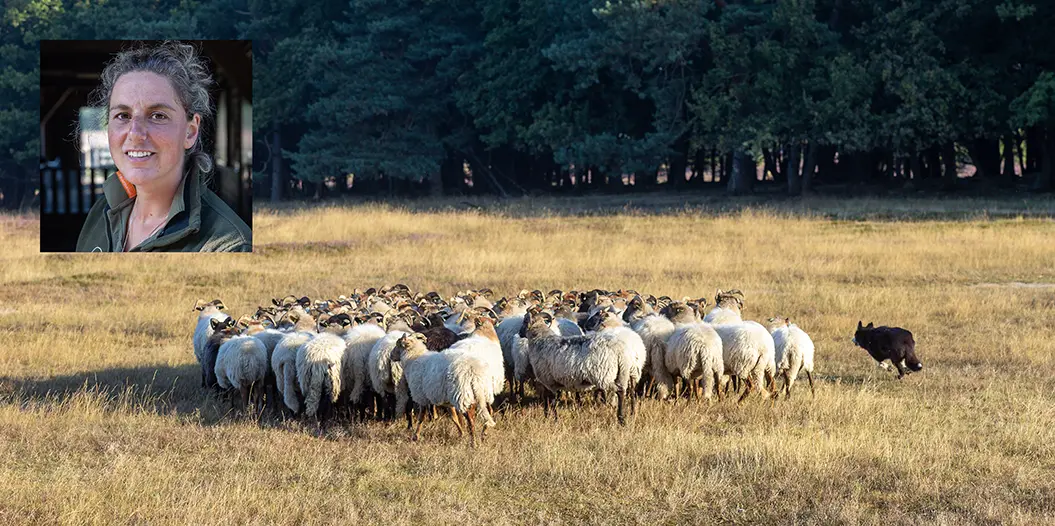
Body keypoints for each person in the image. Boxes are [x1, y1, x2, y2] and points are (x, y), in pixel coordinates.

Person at [76, 41, 252, 252]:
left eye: (158, 115)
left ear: (190, 131)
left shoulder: (227, 246)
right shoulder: (101, 212)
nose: (135, 134)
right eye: (123, 115)